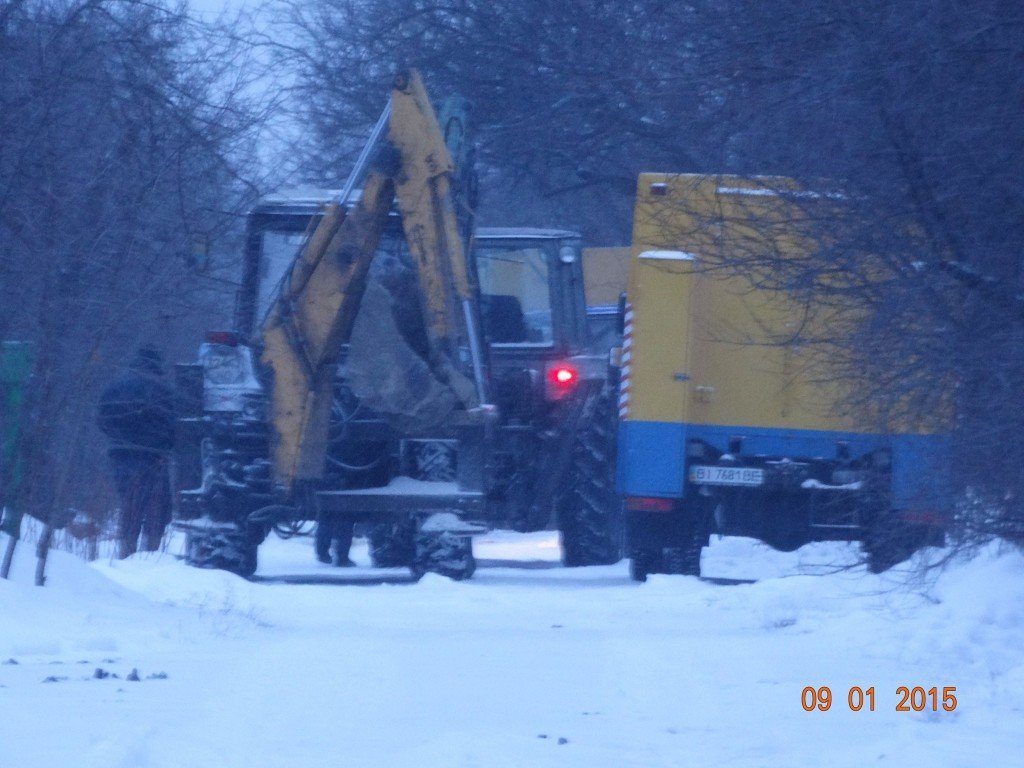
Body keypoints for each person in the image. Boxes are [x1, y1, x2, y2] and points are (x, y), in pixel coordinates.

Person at [97, 345, 174, 558]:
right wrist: (165, 445)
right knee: (156, 506)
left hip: (120, 454)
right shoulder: (164, 390)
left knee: (129, 502)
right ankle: (151, 553)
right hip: (153, 455)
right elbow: (174, 425)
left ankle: (126, 551)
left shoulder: (115, 388)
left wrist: (117, 438)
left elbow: (101, 419)